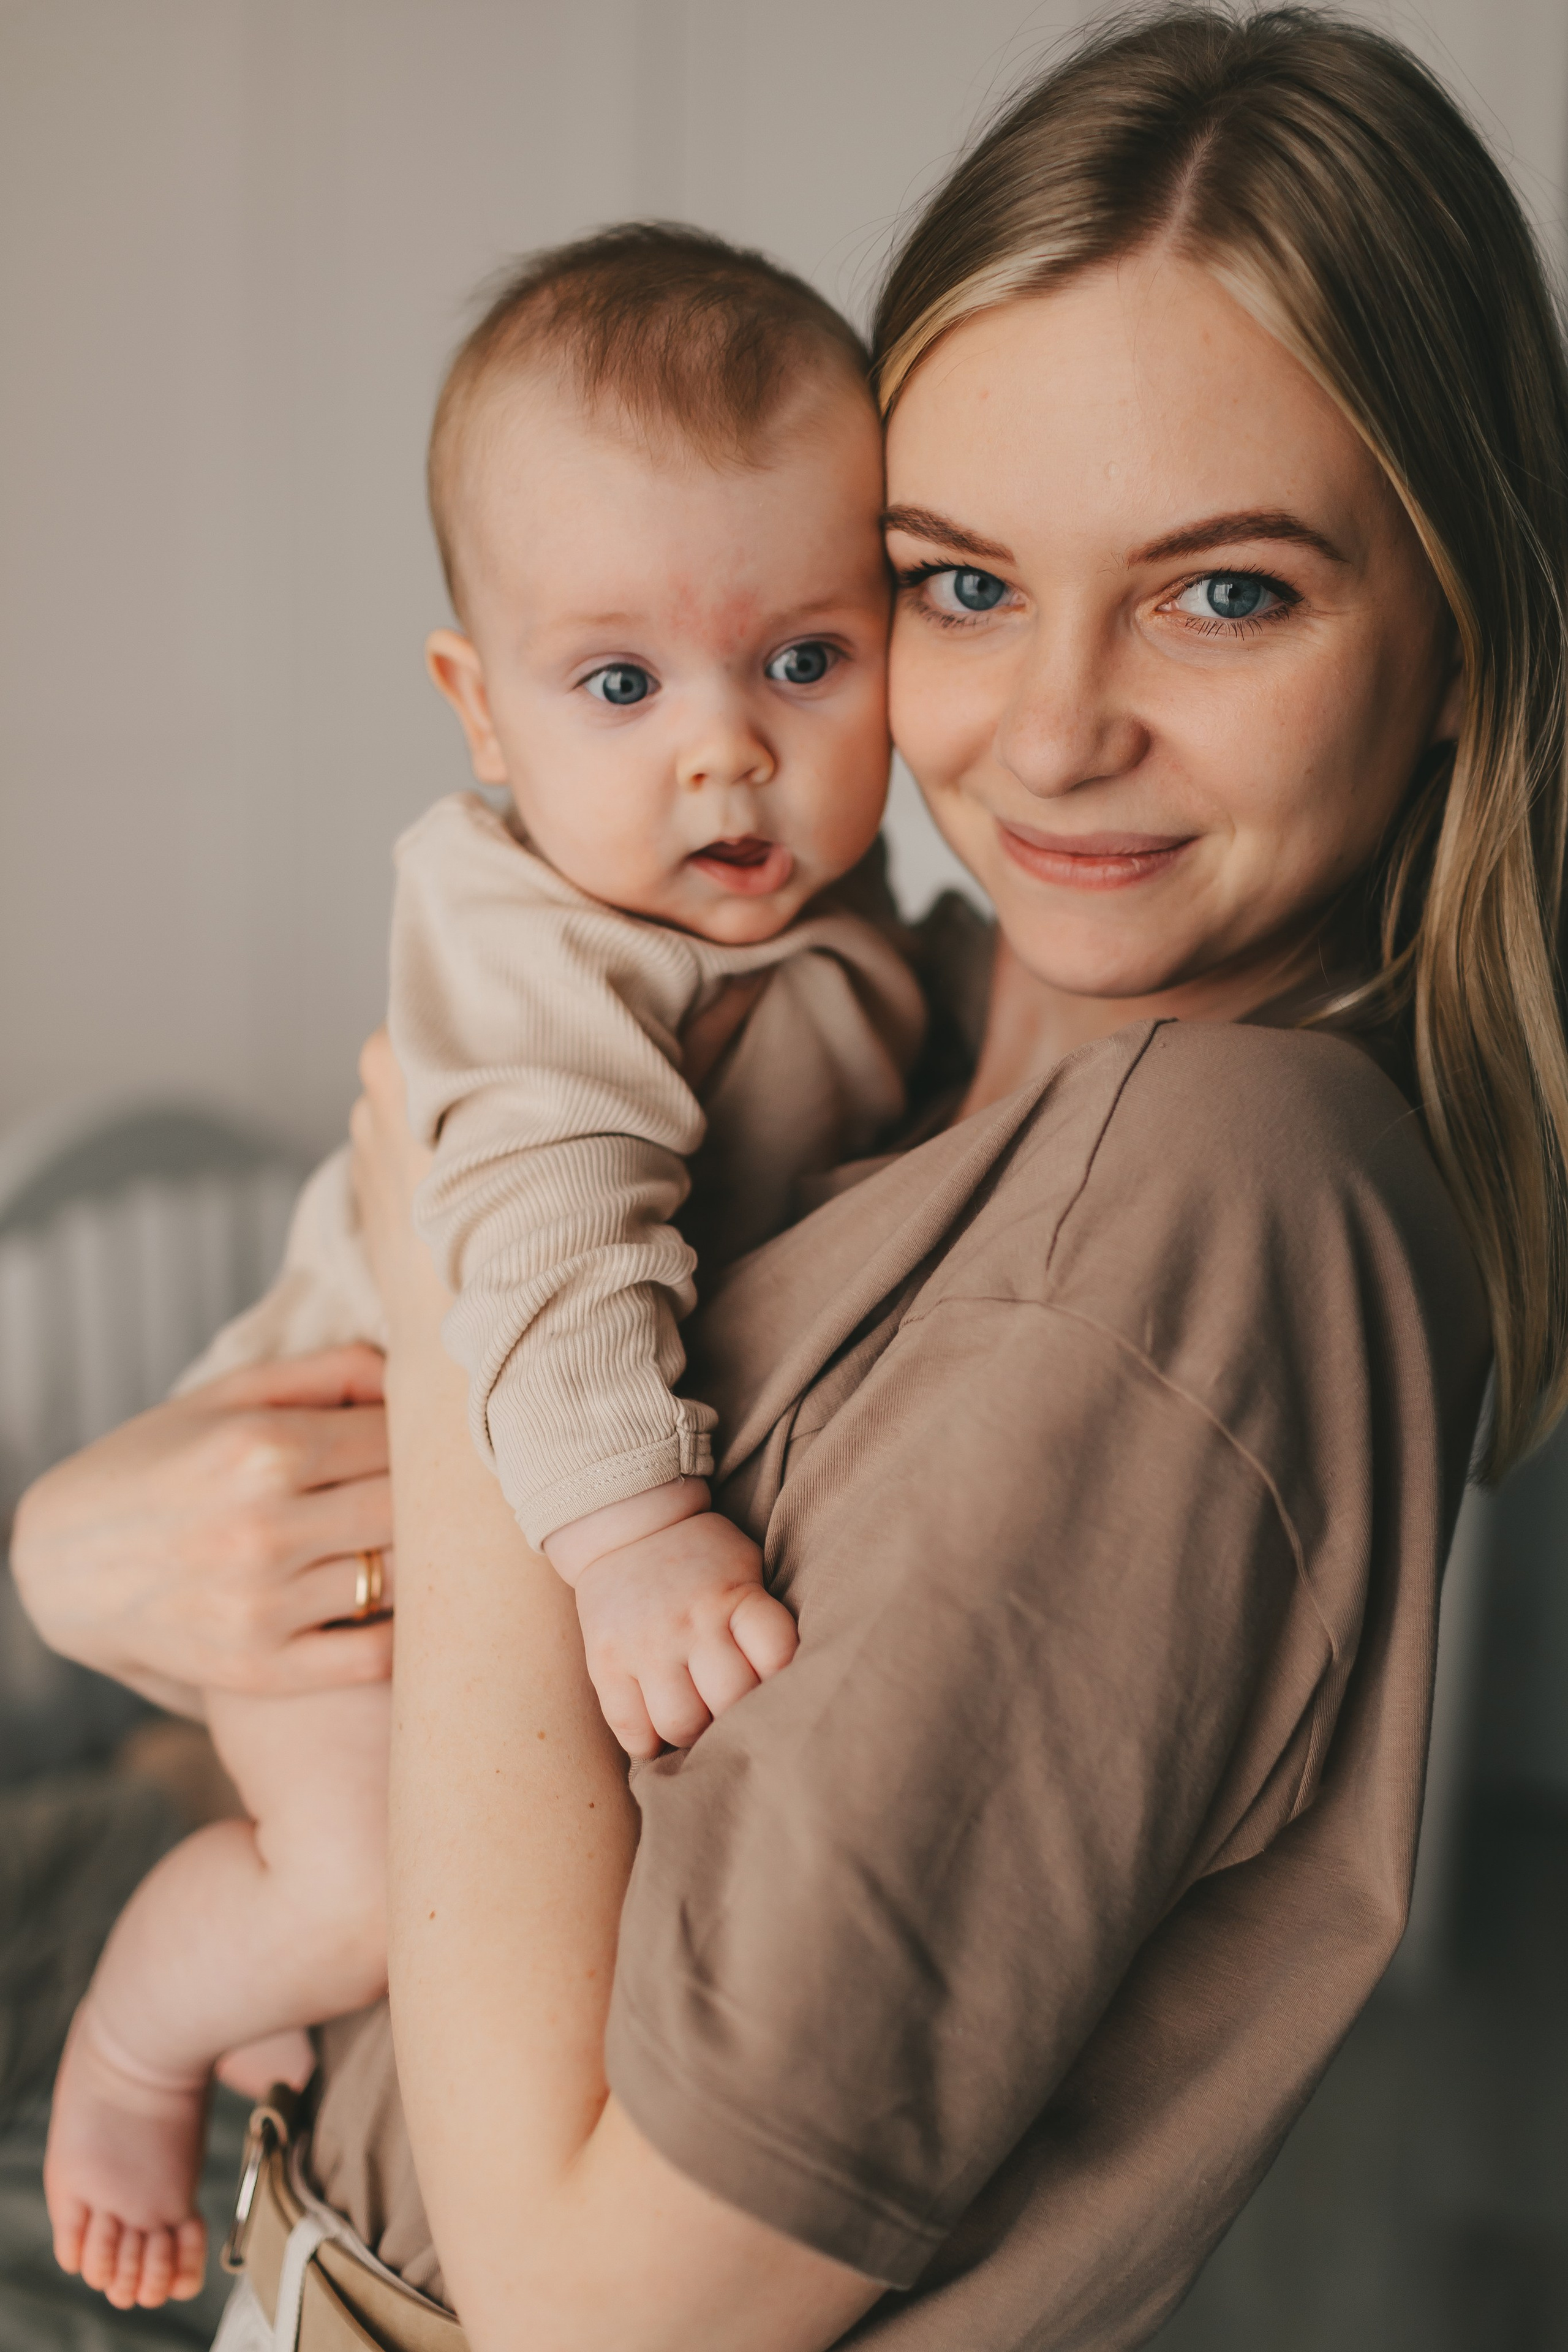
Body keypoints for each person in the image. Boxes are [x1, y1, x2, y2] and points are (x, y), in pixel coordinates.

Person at [16, 8, 1568, 2344]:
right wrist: (84, 1543)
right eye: (959, 581)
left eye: (1227, 591)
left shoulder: (1212, 1203)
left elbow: (596, 2315)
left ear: (1460, 629)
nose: (1053, 730)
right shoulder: (907, 1014)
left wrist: (447, 1302)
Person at [38, 226, 927, 2312]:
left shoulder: (822, 902)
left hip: (464, 1533)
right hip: (356, 1538)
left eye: (806, 660)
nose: (726, 751)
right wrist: (629, 1544)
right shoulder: (531, 931)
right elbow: (540, 1241)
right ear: (483, 708)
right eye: (620, 683)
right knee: (357, 1884)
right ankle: (136, 2030)